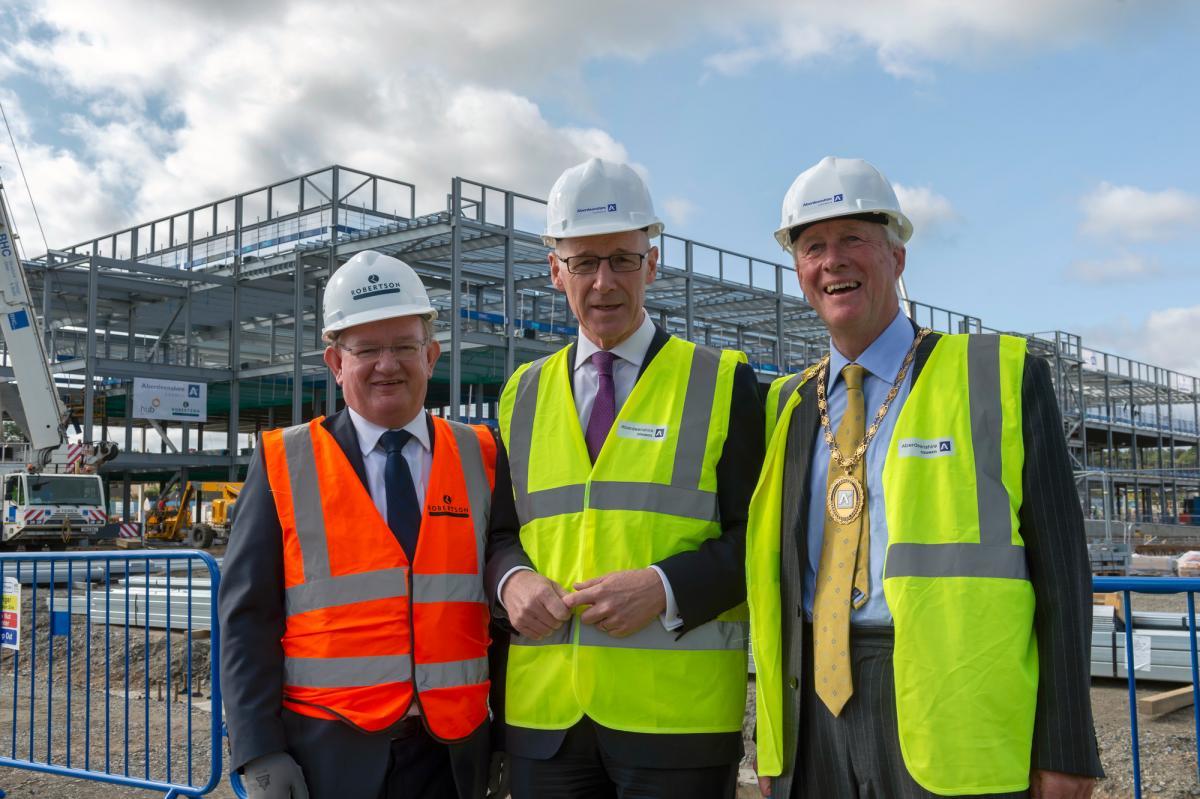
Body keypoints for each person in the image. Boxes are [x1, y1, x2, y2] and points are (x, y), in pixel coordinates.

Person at [748, 157, 1103, 799]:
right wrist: (773, 746)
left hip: (950, 710)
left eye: (854, 239)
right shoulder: (788, 405)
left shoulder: (996, 376)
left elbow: (1062, 570)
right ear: (798, 269)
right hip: (812, 711)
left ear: (897, 255)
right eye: (813, 246)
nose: (833, 261)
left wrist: (1067, 744)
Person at [485, 157, 764, 798]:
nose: (604, 282)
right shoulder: (520, 395)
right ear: (555, 270)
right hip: (544, 716)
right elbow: (499, 533)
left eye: (623, 260)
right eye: (584, 262)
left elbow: (760, 539)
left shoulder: (722, 382)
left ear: (653, 264)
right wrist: (511, 581)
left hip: (677, 719)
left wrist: (665, 587)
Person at [219, 250, 504, 799]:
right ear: (335, 362)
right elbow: (247, 618)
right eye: (367, 349)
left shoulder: (483, 456)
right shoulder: (285, 461)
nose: (387, 364)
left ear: (432, 354)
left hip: (453, 754)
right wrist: (257, 747)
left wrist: (509, 737)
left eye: (403, 346)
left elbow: (501, 614)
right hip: (326, 751)